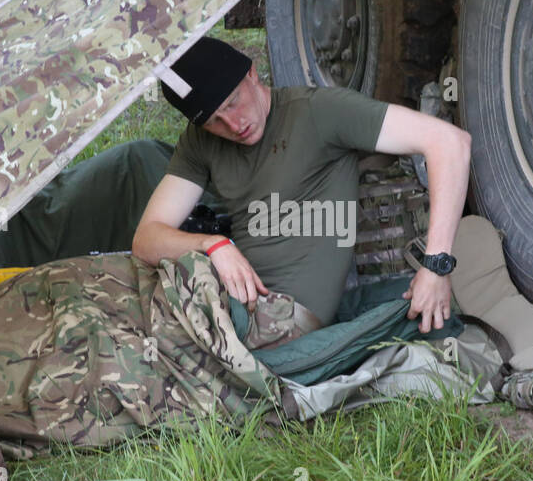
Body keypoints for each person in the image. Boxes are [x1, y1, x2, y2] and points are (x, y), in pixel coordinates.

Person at [133, 37, 472, 343]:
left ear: (252, 73)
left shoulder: (318, 112)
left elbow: (449, 142)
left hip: (280, 319)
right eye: (214, 121)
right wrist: (214, 246)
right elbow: (146, 239)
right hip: (226, 299)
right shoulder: (201, 142)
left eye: (234, 102)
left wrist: (435, 266)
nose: (234, 125)